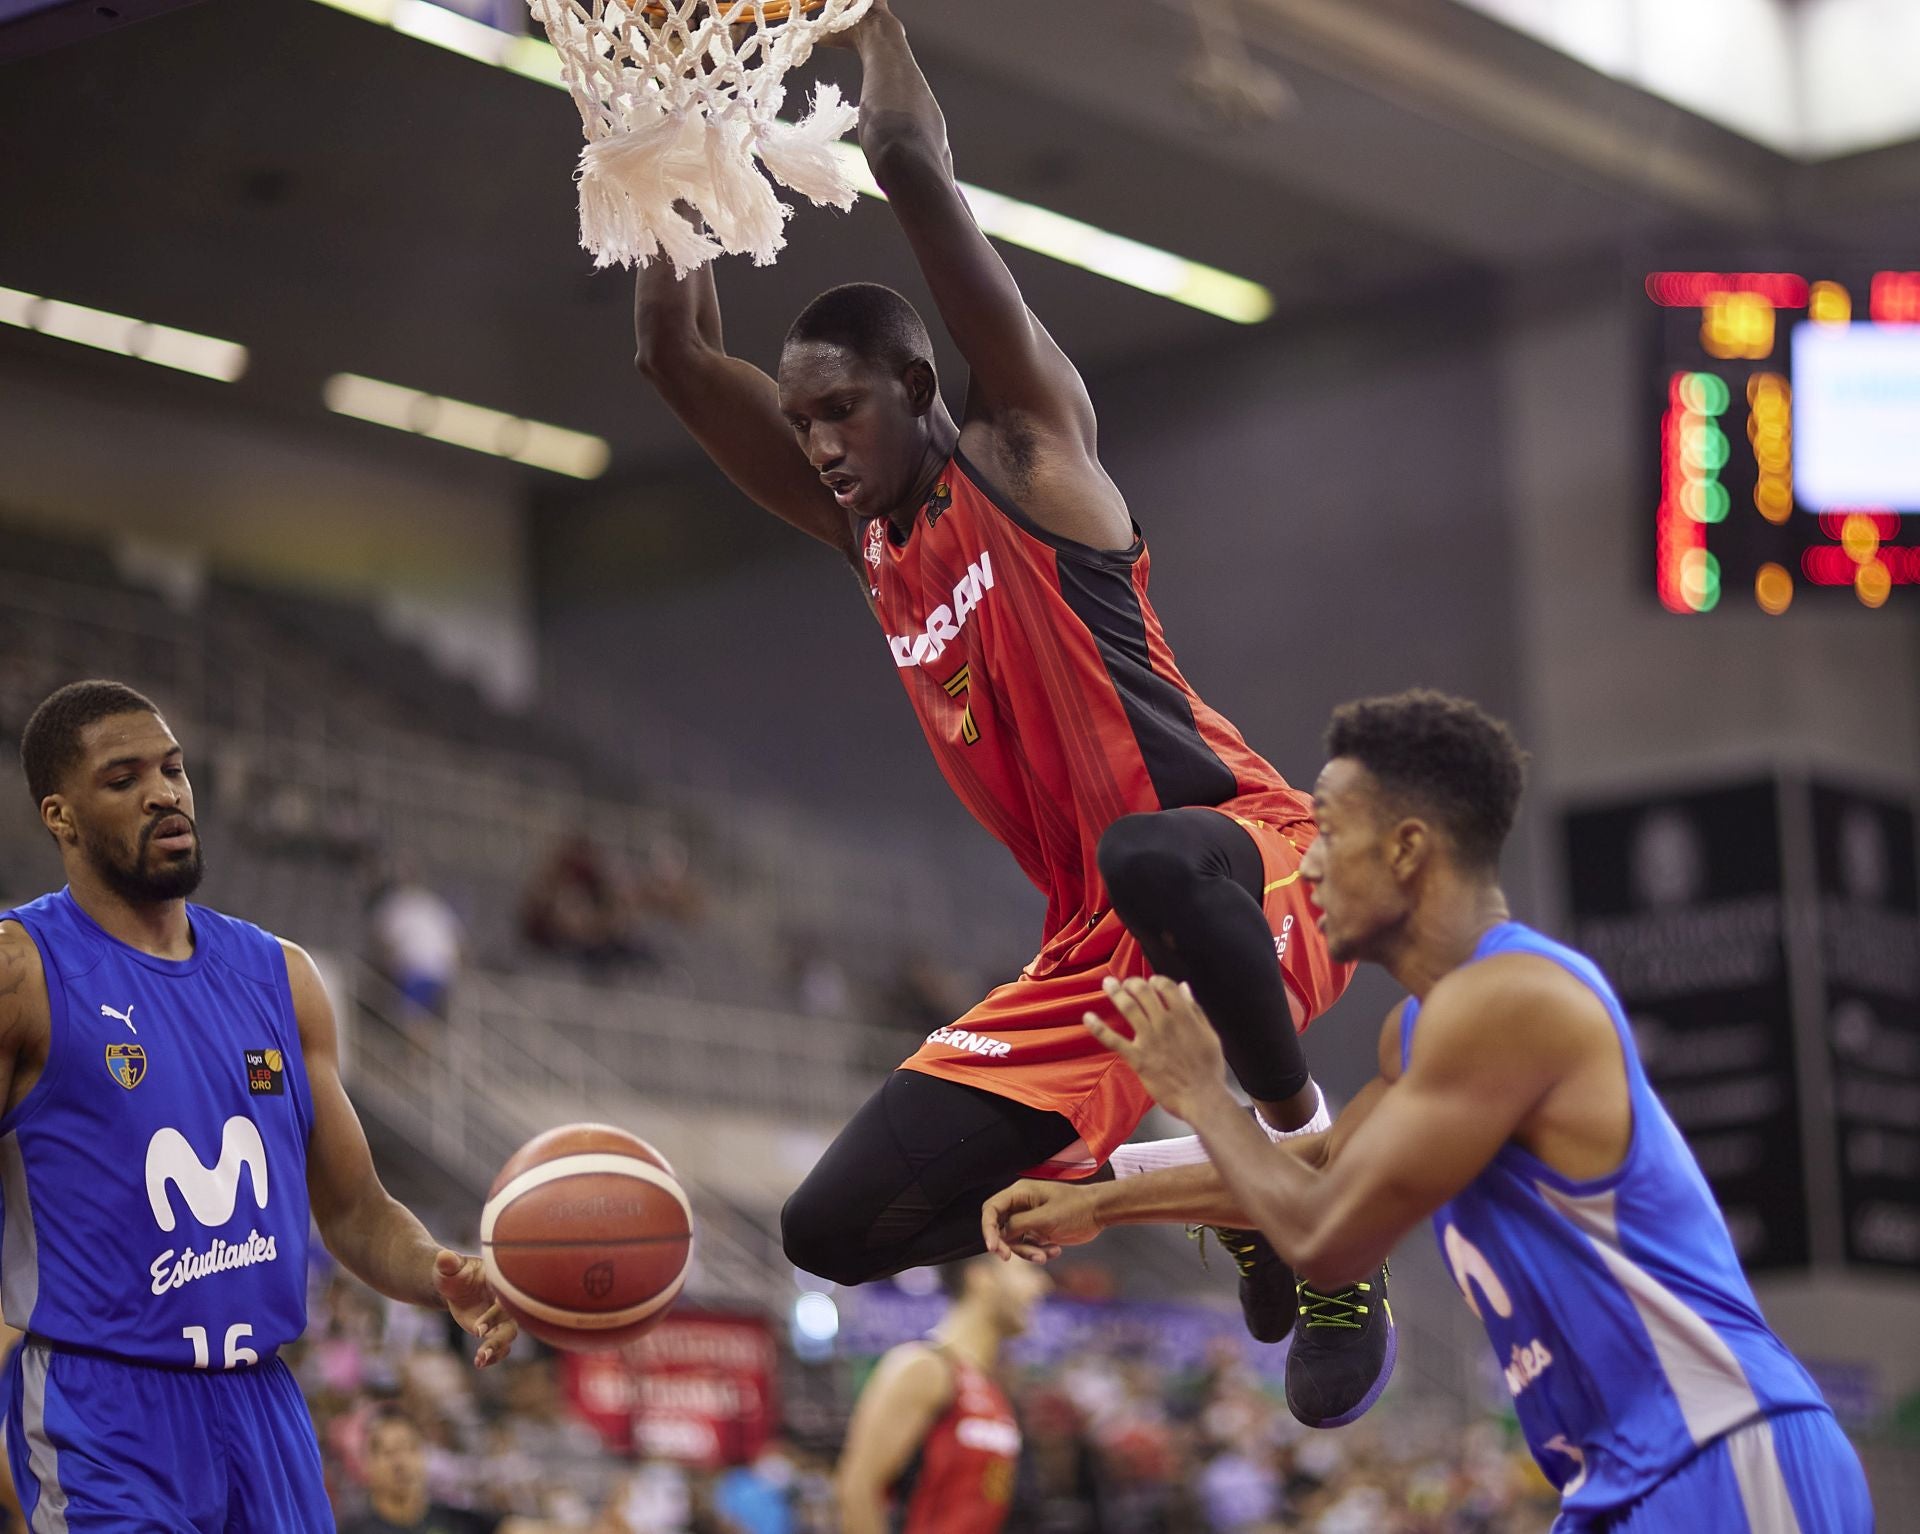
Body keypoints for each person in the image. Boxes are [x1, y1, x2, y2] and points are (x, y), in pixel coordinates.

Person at [633, 0, 1384, 1424]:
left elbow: (913, 165)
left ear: (920, 389)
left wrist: (866, 23)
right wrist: (659, 128)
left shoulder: (1030, 455)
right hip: (1093, 944)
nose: (819, 448)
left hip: (1246, 852)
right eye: (802, 425)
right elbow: (674, 355)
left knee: (1152, 852)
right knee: (833, 1229)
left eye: (841, 412)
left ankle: (1317, 1188)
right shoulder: (862, 531)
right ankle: (1219, 1189)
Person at [982, 691, 1875, 1532]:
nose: (1310, 862)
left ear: (1408, 848)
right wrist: (1097, 1202)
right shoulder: (1425, 1033)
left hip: (1719, 1448)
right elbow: (1317, 1171)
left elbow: (1328, 1238)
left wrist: (1205, 1096)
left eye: (1327, 831)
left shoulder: (1513, 998)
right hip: (1615, 1477)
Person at [0, 680, 519, 1529]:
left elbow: (354, 1210)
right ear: (59, 816)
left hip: (265, 1410)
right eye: (124, 778)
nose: (165, 791)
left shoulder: (281, 976)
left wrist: (438, 1272)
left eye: (172, 768)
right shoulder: (22, 974)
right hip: (105, 1411)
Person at [835, 1256, 1049, 1534]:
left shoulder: (993, 1389)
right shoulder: (925, 1368)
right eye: (1026, 1270)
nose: (1042, 1284)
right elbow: (856, 1490)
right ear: (982, 1278)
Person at [340, 1404, 569, 1534]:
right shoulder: (353, 1529)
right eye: (388, 1453)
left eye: (410, 1448)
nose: (400, 1462)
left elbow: (516, 1529)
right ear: (367, 1464)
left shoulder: (456, 1519)